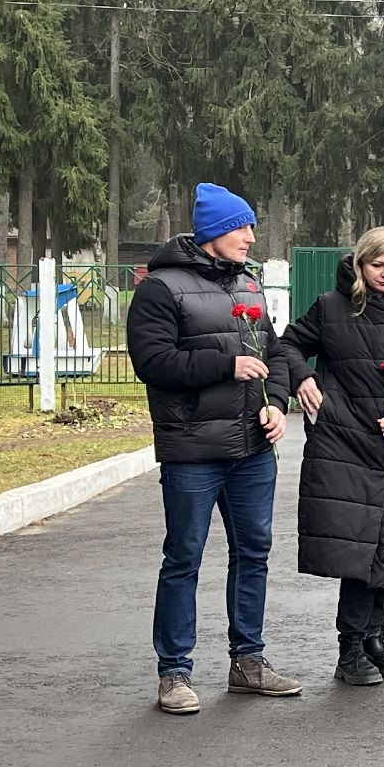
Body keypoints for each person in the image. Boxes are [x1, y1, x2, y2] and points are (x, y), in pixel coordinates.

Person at [126, 182, 301, 715]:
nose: (250, 236)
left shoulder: (247, 287)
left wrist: (276, 402)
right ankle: (174, 672)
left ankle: (249, 662)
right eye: (241, 227)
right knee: (184, 557)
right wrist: (225, 365)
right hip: (192, 451)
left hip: (251, 448)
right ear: (213, 233)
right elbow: (153, 364)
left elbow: (273, 353)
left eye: (250, 226)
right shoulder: (160, 289)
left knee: (254, 555)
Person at [280, 228, 384, 686]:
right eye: (378, 265)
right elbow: (289, 345)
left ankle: (376, 639)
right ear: (360, 264)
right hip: (346, 443)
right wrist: (302, 378)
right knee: (359, 548)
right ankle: (350, 649)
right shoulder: (331, 307)